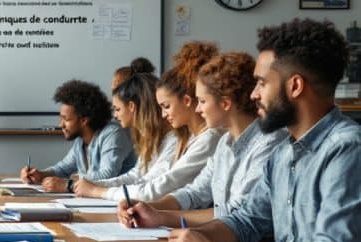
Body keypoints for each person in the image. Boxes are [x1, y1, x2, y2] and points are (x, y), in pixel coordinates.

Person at [135, 19, 361, 242]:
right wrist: (189, 238)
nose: (253, 95)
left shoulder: (346, 150)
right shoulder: (283, 154)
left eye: (262, 83)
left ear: (295, 86)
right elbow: (246, 222)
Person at [120, 52, 287, 226]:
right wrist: (148, 207)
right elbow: (195, 192)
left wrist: (161, 217)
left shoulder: (269, 144)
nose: (198, 109)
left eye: (202, 101)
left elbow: (236, 213)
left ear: (225, 103)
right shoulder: (225, 142)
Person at [75, 42, 222, 200]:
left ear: (187, 100)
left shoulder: (206, 138)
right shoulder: (186, 138)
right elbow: (147, 181)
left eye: (166, 106)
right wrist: (92, 187)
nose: (163, 114)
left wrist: (97, 191)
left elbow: (160, 188)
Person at [21, 80, 135, 193]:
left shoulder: (113, 133)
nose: (60, 125)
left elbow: (108, 175)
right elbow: (63, 169)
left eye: (66, 119)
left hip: (120, 203)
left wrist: (68, 185)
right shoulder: (81, 139)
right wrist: (40, 174)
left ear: (84, 120)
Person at [75, 72, 177, 197]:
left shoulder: (173, 140)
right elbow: (135, 176)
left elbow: (148, 183)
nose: (115, 115)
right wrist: (94, 185)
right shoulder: (151, 139)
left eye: (117, 109)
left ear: (132, 106)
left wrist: (96, 190)